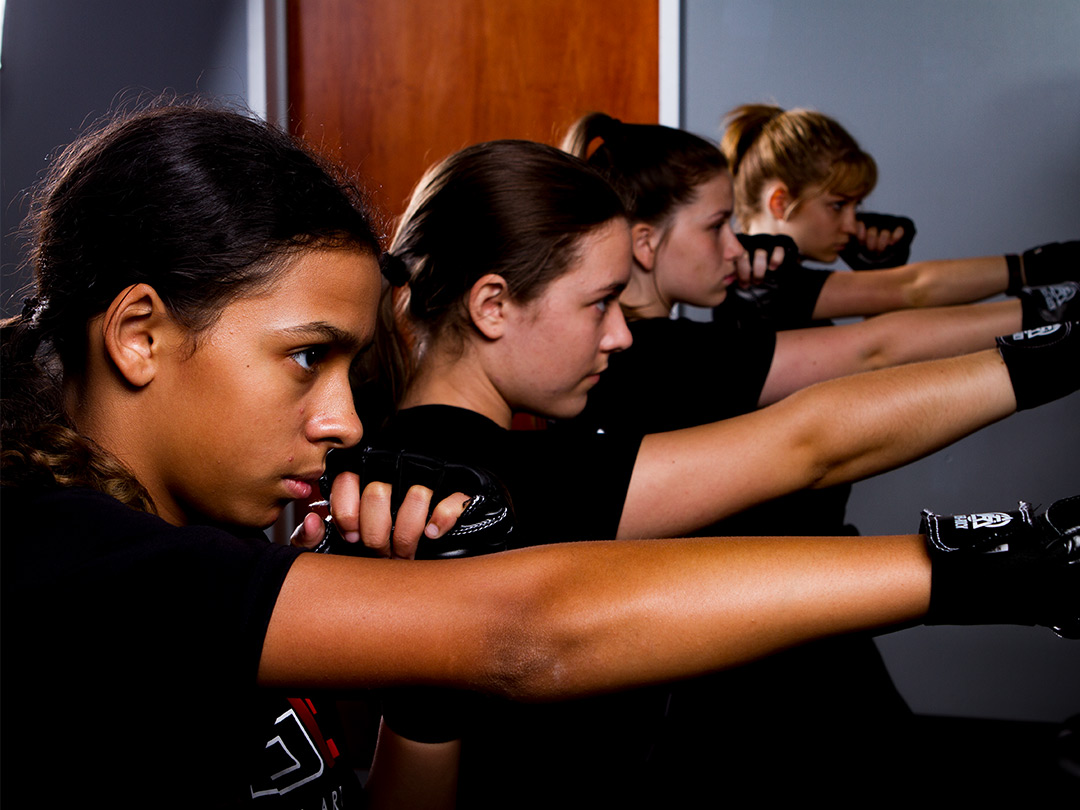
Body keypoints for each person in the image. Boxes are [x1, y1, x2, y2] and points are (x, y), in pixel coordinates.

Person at [11, 101, 1074, 809]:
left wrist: (420, 690)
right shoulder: (57, 555)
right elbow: (525, 630)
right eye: (303, 360)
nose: (342, 421)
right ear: (140, 336)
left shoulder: (211, 531)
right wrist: (1000, 562)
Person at [346, 137, 1079, 804]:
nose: (622, 332)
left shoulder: (448, 458)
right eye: (600, 302)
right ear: (493, 306)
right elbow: (806, 442)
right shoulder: (473, 486)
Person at [718, 103, 1079, 330]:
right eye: (838, 205)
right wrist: (1036, 268)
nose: (851, 224)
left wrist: (875, 276)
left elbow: (879, 355)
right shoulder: (756, 283)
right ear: (780, 202)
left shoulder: (774, 281)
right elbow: (912, 289)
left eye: (856, 207)